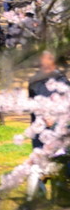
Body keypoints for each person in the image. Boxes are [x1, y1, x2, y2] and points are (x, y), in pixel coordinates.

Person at [26, 50, 67, 198]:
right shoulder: (34, 81)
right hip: (39, 128)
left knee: (59, 161)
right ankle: (37, 197)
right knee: (39, 162)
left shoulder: (62, 81)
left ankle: (60, 195)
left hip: (57, 129)